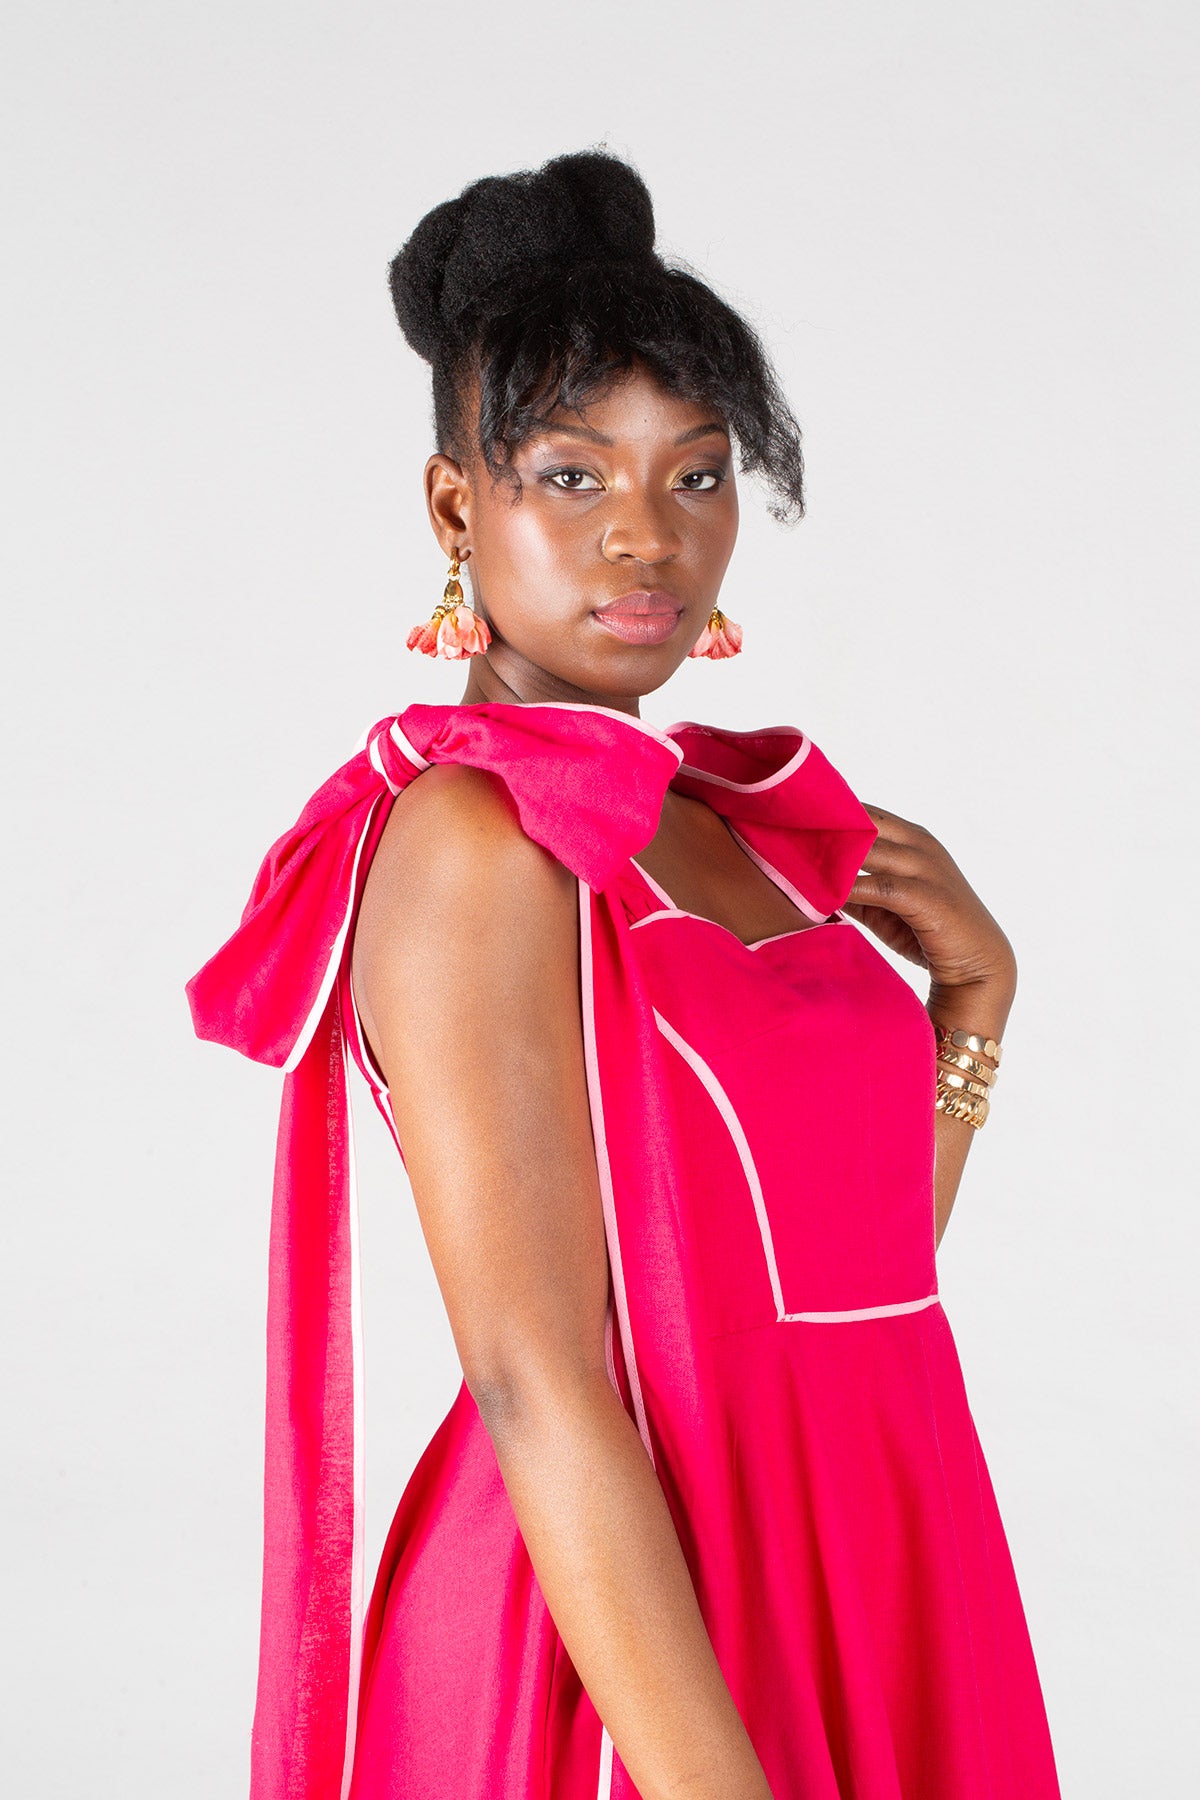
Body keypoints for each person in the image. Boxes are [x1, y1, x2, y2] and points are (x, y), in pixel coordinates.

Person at [188, 148, 1062, 1800]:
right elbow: (533, 1379)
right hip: (619, 1635)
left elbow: (830, 1289)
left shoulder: (723, 825)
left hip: (869, 1547)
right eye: (572, 475)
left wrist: (975, 1011)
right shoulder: (473, 839)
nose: (647, 536)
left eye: (697, 473)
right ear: (458, 509)